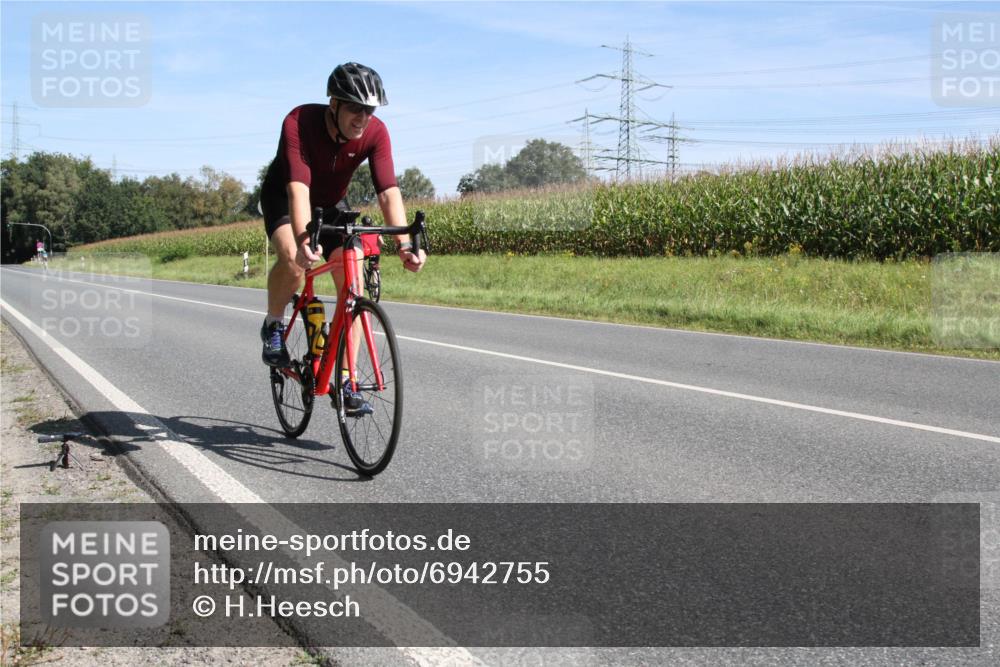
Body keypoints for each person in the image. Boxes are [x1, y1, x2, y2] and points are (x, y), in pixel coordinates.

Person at [259, 62, 425, 411]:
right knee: (293, 260)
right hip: (285, 198)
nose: (362, 118)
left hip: (332, 204)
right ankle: (273, 325)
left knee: (353, 285)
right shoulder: (299, 122)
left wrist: (405, 245)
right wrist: (305, 241)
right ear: (333, 104)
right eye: (354, 108)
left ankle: (348, 379)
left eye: (369, 110)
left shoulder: (376, 132)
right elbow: (298, 189)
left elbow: (388, 192)